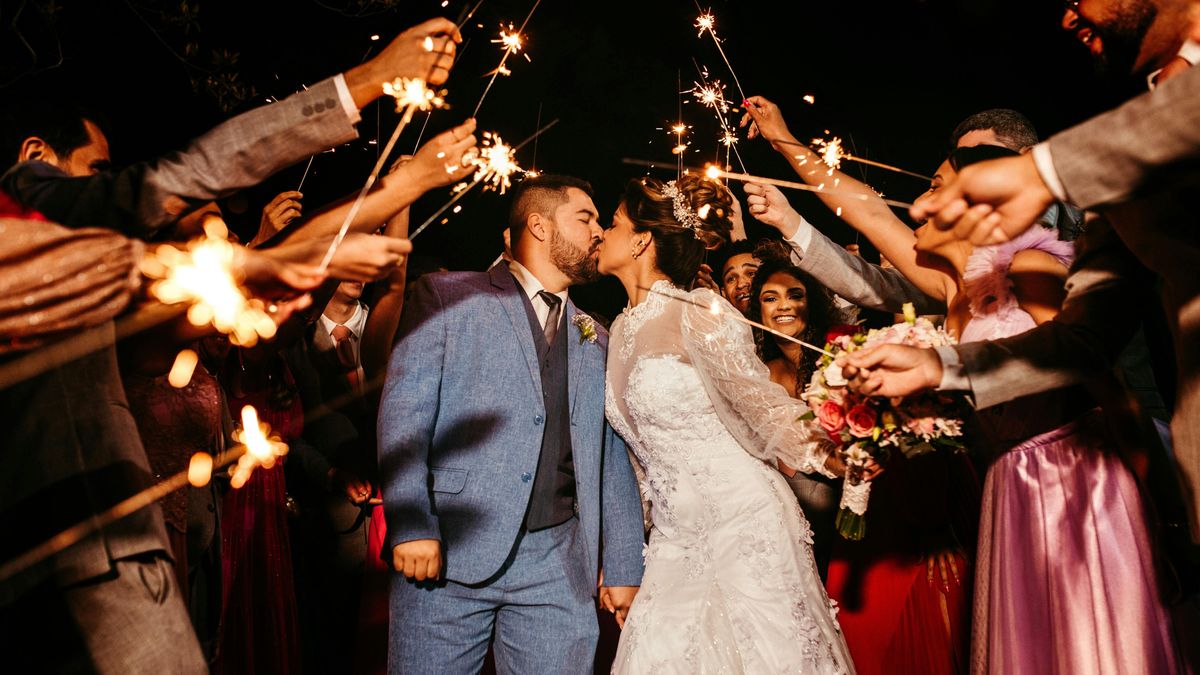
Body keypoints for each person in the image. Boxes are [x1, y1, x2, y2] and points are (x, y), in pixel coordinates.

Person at [0, 17, 463, 672]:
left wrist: (396, 195)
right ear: (34, 159)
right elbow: (185, 178)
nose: (113, 184)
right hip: (92, 551)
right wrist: (365, 83)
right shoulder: (28, 204)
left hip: (167, 535)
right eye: (97, 169)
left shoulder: (74, 260)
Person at [861, 0, 1200, 548]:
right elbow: (1083, 344)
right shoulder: (1120, 174)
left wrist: (1046, 171)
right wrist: (938, 367)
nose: (1068, 18)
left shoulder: (1108, 156)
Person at [378, 174, 645, 674]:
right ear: (540, 226)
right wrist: (412, 523)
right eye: (585, 218)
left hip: (560, 561)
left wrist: (625, 563)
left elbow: (610, 456)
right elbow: (403, 417)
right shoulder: (448, 295)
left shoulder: (597, 336)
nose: (599, 232)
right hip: (450, 551)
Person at [597, 173, 854, 673]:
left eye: (612, 224)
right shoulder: (619, 328)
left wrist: (835, 454)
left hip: (745, 523)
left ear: (642, 240)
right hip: (673, 539)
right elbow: (637, 458)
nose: (602, 234)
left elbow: (763, 405)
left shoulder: (701, 310)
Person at [745, 256, 842, 579]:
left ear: (810, 302)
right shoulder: (763, 375)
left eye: (794, 295)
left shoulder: (840, 358)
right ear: (758, 311)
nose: (782, 306)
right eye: (770, 298)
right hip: (796, 539)